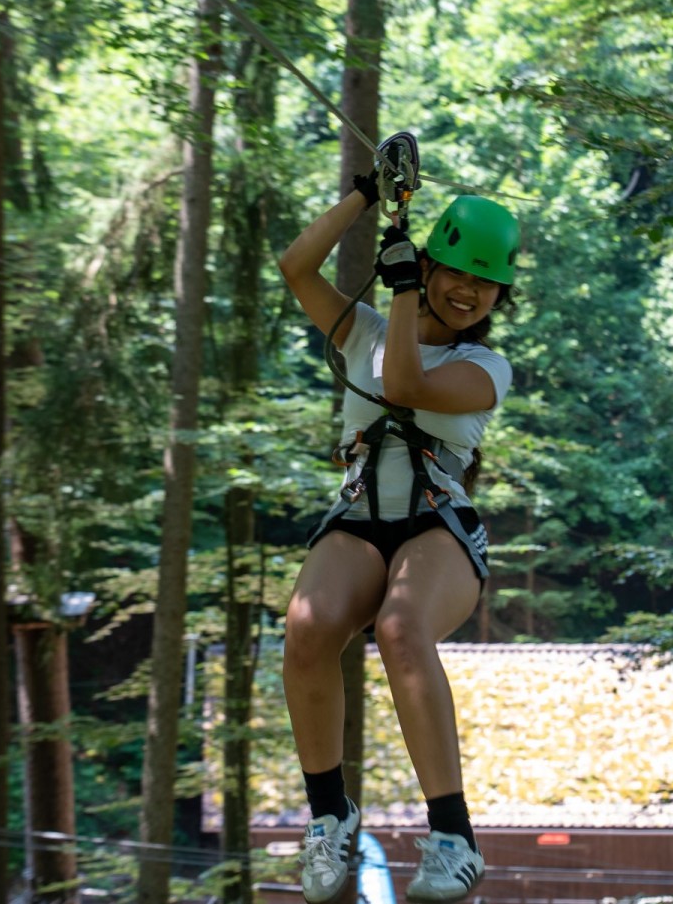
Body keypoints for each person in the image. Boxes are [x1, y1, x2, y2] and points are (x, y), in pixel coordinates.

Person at [278, 166, 520, 904]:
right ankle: (330, 815)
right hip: (359, 517)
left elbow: (406, 386)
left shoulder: (485, 366)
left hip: (437, 526)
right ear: (432, 265)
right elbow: (296, 266)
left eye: (486, 284)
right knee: (306, 627)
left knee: (401, 627)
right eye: (458, 273)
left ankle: (452, 835)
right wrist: (365, 191)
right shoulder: (365, 331)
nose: (469, 291)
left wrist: (406, 289)